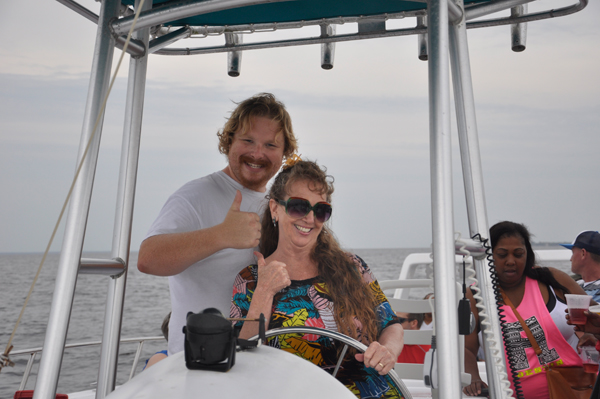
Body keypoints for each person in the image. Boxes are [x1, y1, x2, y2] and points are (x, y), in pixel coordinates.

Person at [138, 93, 298, 355]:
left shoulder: (280, 205)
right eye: (248, 141)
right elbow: (148, 259)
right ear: (229, 141)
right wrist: (220, 236)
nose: (258, 154)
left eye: (270, 145)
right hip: (199, 359)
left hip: (258, 361)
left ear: (285, 153)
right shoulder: (195, 195)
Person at [230, 159, 405, 399]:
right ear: (275, 209)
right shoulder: (250, 280)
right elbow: (242, 358)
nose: (310, 219)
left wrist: (387, 351)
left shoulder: (353, 267)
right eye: (299, 207)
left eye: (321, 210)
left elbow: (391, 325)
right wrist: (264, 293)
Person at [463, 221, 596, 398]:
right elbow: (466, 348)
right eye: (502, 255)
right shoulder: (476, 294)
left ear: (528, 254)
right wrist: (473, 378)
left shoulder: (551, 280)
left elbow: (596, 315)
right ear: (488, 255)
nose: (511, 261)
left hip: (572, 389)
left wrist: (592, 334)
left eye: (518, 254)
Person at [562, 230, 600, 303]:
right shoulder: (574, 284)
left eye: (573, 253)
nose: (571, 259)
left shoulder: (570, 286)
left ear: (583, 253)